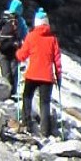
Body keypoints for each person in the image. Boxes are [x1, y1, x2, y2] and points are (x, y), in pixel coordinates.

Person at [15, 8, 61, 136]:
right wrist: (58, 75)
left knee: (27, 96)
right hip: (47, 77)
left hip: (32, 74)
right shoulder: (52, 39)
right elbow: (57, 60)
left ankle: (25, 122)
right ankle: (45, 131)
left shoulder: (31, 36)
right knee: (45, 103)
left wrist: (17, 54)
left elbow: (22, 55)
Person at [0, 0, 28, 97]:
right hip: (14, 50)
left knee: (5, 72)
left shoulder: (4, 17)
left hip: (2, 49)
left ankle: (6, 92)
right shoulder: (20, 21)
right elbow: (25, 36)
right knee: (14, 72)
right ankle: (13, 92)